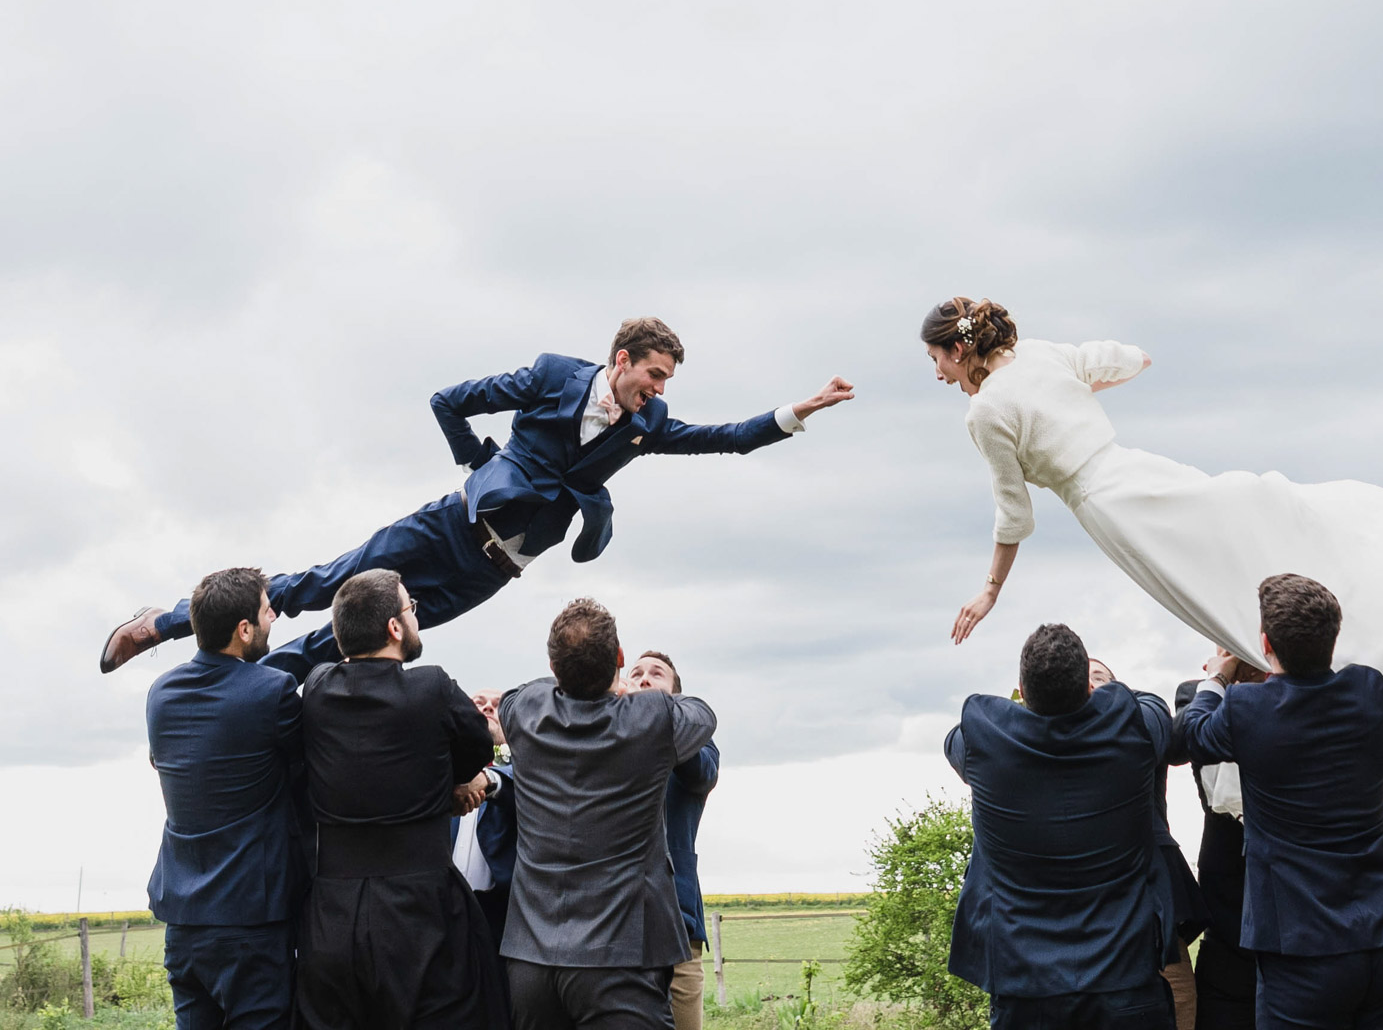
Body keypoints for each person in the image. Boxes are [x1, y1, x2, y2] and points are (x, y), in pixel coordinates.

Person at [921, 296, 1383, 790]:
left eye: (936, 359)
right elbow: (1130, 359)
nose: (939, 374)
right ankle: (1335, 640)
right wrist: (1084, 390)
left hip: (1112, 509)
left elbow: (1013, 513)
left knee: (1219, 595)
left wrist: (990, 591)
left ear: (959, 349)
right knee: (1245, 540)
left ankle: (1337, 660)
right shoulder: (1041, 355)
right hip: (1137, 467)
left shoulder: (985, 412)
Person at [101, 316, 855, 681]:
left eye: (666, 384)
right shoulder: (550, 376)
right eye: (653, 375)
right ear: (621, 359)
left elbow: (726, 437)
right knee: (317, 588)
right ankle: (161, 624)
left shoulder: (649, 426)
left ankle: (255, 686)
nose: (659, 391)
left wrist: (802, 410)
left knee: (360, 646)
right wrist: (481, 469)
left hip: (490, 573)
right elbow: (448, 400)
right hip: (446, 529)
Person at [1175, 574, 1383, 1030]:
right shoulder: (1370, 691)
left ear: (1265, 643)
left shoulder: (1248, 708)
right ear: (1334, 636)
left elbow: (1193, 732)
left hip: (1301, 948)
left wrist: (1219, 674)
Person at [295, 569, 507, 1030]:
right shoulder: (431, 686)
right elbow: (476, 746)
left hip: (333, 909)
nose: (415, 616)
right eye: (411, 608)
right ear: (394, 627)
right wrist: (445, 789)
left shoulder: (316, 686)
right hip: (422, 907)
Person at [946, 623, 1175, 1030]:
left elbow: (953, 740)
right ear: (1087, 688)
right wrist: (1103, 695)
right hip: (1125, 976)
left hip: (1025, 989)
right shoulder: (1130, 735)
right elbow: (1155, 707)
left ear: (1021, 688)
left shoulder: (986, 745)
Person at [500, 599, 716, 1030]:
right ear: (619, 660)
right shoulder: (652, 718)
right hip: (620, 960)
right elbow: (702, 715)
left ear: (552, 664)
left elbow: (521, 693)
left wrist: (574, 675)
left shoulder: (523, 710)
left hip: (530, 961)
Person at [145, 567, 304, 1030]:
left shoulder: (161, 693)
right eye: (266, 610)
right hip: (250, 918)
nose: (274, 616)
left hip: (184, 918)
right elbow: (311, 765)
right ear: (244, 629)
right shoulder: (270, 690)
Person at [1091, 660, 1205, 1030]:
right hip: (1083, 908)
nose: (1091, 683)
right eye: (1082, 676)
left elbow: (1163, 736)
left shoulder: (1139, 721)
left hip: (1149, 902)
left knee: (1177, 996)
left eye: (1100, 677)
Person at [627, 650, 720, 1030]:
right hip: (613, 924)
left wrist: (660, 716)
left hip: (677, 923)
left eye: (657, 674)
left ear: (676, 694)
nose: (645, 678)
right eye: (636, 673)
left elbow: (703, 773)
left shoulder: (696, 741)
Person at [1173, 661, 1266, 1030]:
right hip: (1227, 894)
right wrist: (1223, 677)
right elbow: (1179, 743)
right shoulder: (1197, 692)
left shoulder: (1293, 693)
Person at [451, 688, 518, 943]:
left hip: (500, 924)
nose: (488, 708)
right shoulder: (441, 769)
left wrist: (490, 780)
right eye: (478, 703)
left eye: (497, 705)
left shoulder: (521, 773)